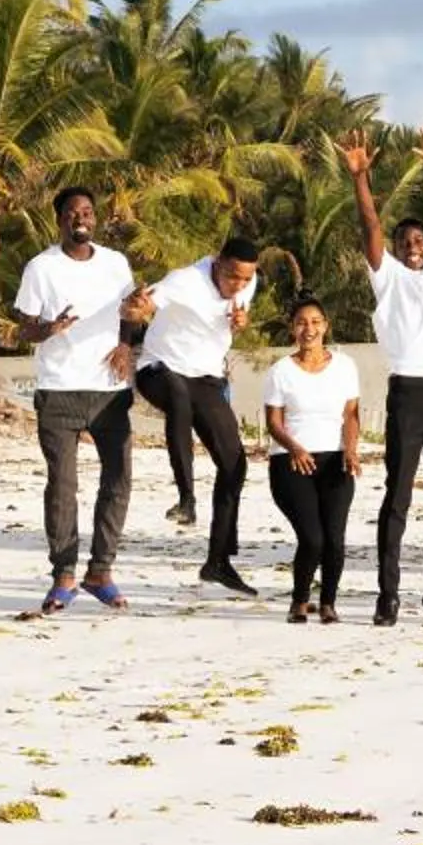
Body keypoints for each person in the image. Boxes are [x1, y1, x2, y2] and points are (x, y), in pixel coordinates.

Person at [8, 187, 153, 612]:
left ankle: (100, 570)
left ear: (96, 218)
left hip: (109, 388)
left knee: (119, 479)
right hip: (59, 387)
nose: (81, 218)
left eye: (87, 211)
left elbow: (129, 311)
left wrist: (127, 345)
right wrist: (48, 330)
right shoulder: (41, 267)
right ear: (60, 220)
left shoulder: (115, 263)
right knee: (63, 483)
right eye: (72, 213)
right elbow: (24, 329)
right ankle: (64, 574)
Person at [347, 118, 423, 627]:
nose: (413, 243)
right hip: (407, 392)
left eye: (419, 238)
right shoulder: (387, 276)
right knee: (397, 495)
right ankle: (387, 594)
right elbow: (372, 228)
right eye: (405, 239)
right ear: (396, 249)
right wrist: (360, 179)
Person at [130, 235, 262, 597]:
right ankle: (186, 499)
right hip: (158, 369)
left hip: (206, 379)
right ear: (217, 262)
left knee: (235, 465)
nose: (237, 285)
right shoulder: (183, 280)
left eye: (245, 279)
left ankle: (217, 561)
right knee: (177, 395)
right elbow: (141, 308)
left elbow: (238, 315)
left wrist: (242, 321)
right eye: (232, 276)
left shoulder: (249, 282)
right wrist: (136, 308)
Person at [263, 297, 362, 625]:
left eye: (316, 322)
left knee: (334, 538)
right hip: (291, 463)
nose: (309, 329)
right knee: (312, 538)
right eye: (302, 322)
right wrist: (294, 448)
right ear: (293, 328)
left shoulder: (345, 366)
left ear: (325, 326)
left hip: (336, 461)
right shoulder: (280, 371)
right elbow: (274, 423)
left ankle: (329, 602)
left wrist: (350, 449)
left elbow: (351, 414)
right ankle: (299, 600)